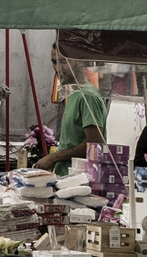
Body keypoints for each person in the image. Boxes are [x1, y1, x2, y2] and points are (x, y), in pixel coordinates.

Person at [40, 45, 108, 174]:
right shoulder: (73, 93)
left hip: (80, 179)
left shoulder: (87, 96)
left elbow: (94, 144)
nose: (57, 68)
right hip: (65, 178)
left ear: (78, 61)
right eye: (54, 62)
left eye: (63, 61)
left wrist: (54, 157)